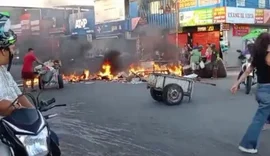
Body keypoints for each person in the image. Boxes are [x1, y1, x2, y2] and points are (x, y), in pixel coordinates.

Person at [0, 13, 34, 155]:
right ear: (2, 51)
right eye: (12, 49)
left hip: (16, 128)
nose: (14, 52)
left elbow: (19, 95)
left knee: (52, 140)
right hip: (3, 133)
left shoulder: (4, 72)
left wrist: (34, 113)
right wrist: (11, 107)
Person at [231, 32, 270, 154]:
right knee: (258, 120)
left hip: (260, 90)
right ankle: (247, 145)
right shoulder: (267, 56)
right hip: (268, 91)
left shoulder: (256, 56)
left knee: (263, 114)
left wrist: (236, 83)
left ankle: (267, 121)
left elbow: (247, 72)